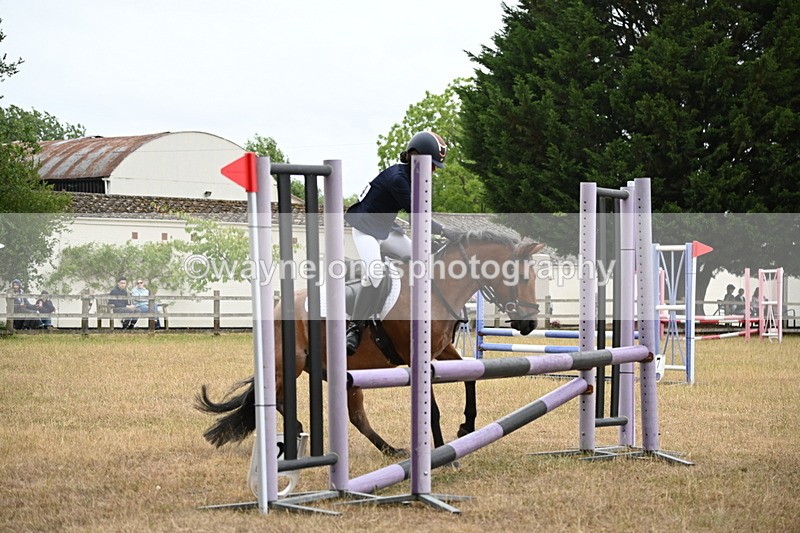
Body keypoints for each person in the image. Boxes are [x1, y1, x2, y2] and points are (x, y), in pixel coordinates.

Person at [343, 130, 454, 355]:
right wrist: (444, 230)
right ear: (415, 157)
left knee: (423, 257)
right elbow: (418, 215)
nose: (433, 171)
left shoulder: (411, 178)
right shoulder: (398, 179)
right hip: (366, 231)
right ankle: (354, 327)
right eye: (431, 164)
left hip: (386, 231)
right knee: (375, 274)